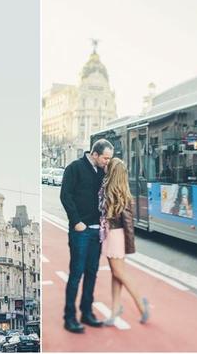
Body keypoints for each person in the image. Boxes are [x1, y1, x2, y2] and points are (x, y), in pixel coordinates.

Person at [60, 139, 114, 333]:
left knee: (92, 272)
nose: (107, 162)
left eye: (109, 159)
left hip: (96, 230)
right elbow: (65, 195)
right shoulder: (74, 168)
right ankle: (69, 317)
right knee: (76, 274)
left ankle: (86, 312)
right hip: (81, 231)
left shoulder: (102, 171)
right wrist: (76, 222)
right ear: (95, 154)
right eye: (105, 158)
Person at [98, 158, 150, 326]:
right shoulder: (113, 189)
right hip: (111, 234)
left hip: (115, 235)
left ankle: (141, 304)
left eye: (108, 166)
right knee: (115, 273)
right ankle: (115, 310)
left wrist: (129, 242)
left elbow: (127, 221)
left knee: (119, 273)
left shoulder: (115, 192)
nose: (105, 167)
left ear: (113, 172)